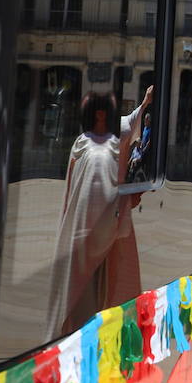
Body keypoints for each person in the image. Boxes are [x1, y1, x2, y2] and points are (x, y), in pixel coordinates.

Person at [45, 87, 152, 337]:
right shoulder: (99, 155)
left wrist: (145, 103)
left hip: (78, 243)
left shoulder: (83, 141)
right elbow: (100, 211)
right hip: (91, 254)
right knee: (88, 316)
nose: (120, 115)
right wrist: (129, 201)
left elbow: (127, 125)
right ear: (102, 115)